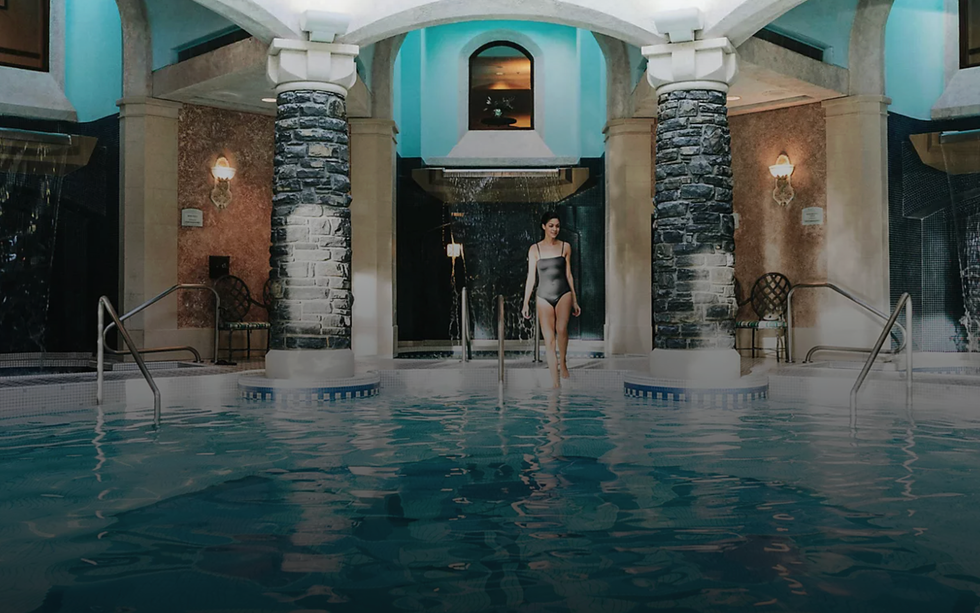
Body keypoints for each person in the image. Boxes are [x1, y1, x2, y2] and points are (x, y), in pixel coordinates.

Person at [521, 211, 581, 388]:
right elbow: (531, 277)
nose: (555, 229)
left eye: (557, 226)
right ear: (544, 227)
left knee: (561, 329)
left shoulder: (565, 247)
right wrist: (526, 302)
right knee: (549, 339)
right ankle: (555, 383)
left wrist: (575, 300)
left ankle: (562, 362)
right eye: (551, 226)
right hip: (543, 296)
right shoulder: (535, 249)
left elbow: (569, 275)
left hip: (563, 293)